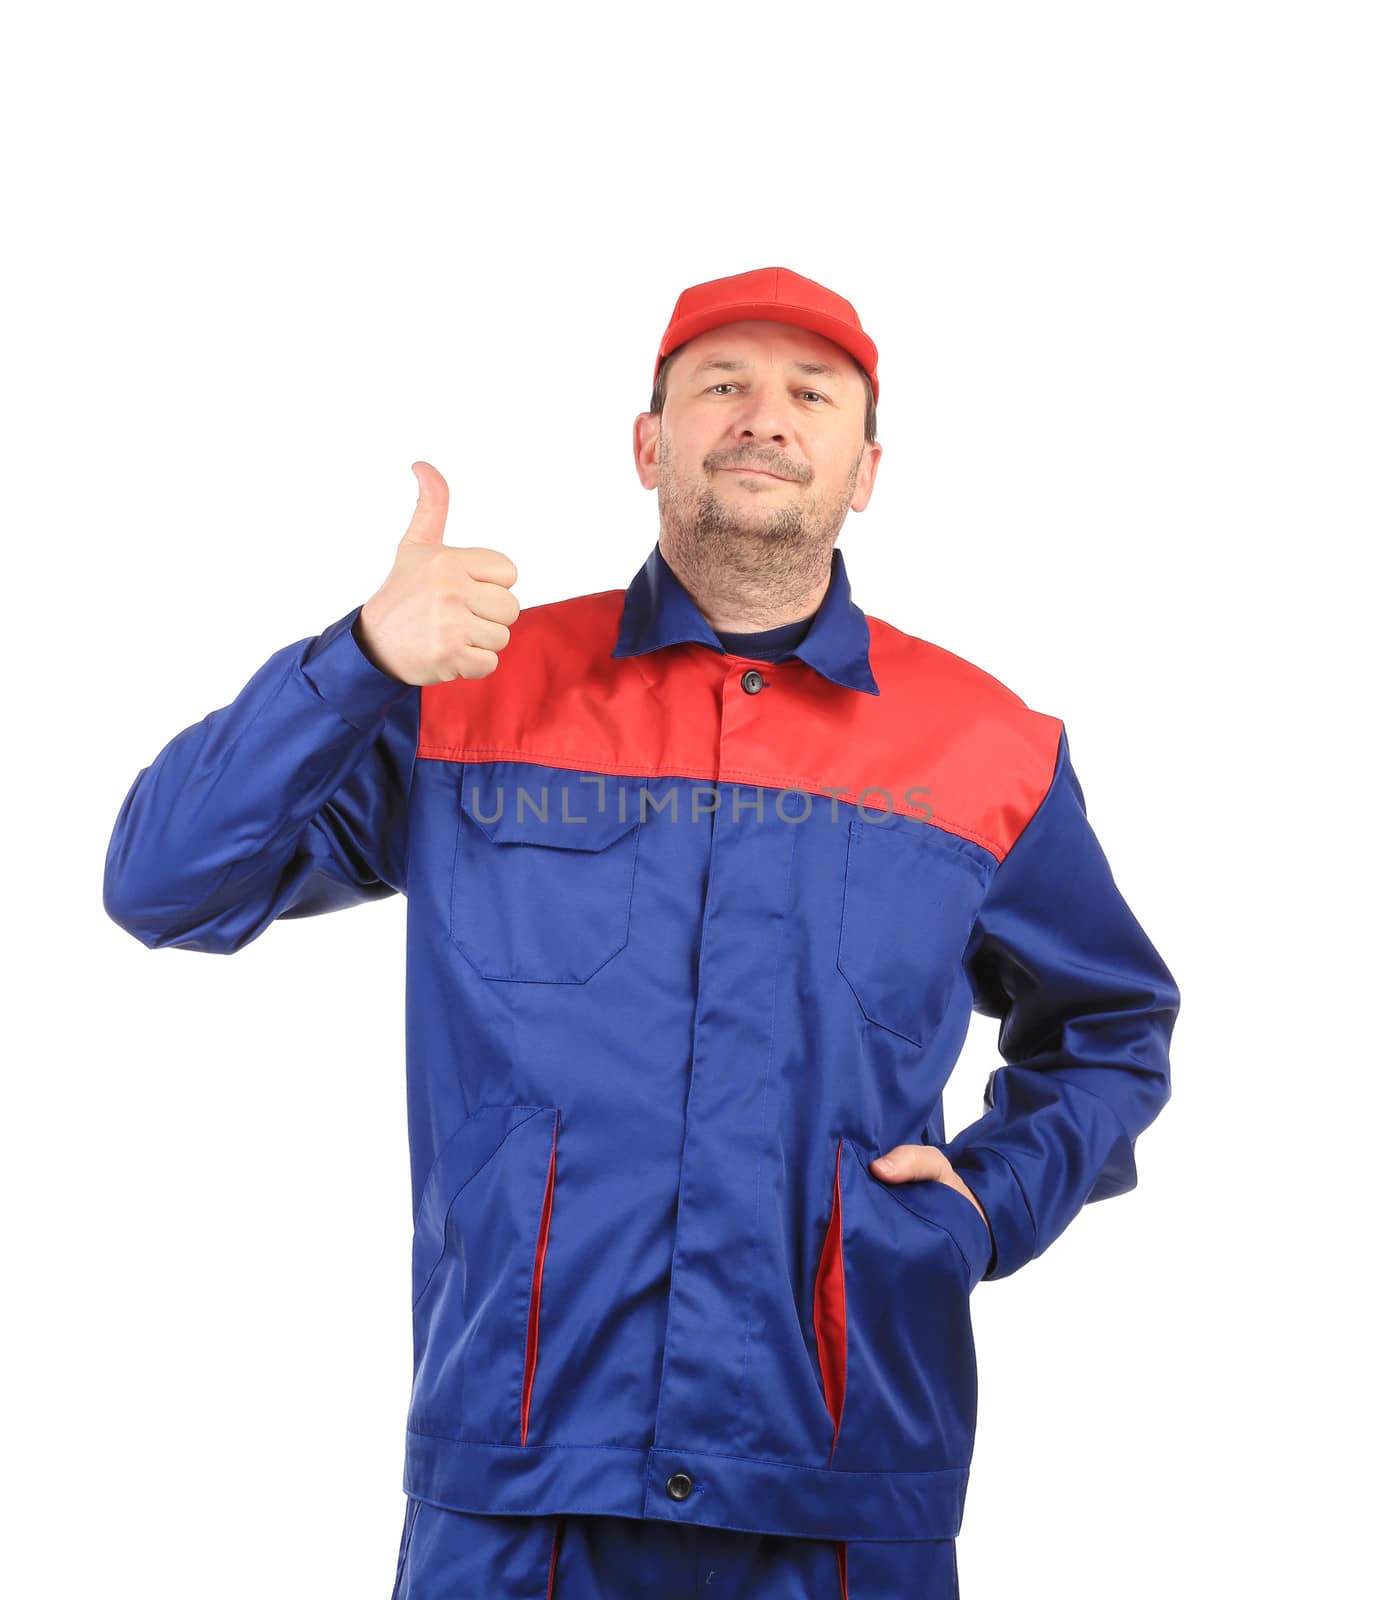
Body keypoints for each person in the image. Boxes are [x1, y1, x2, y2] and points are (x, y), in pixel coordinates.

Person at [103, 265, 1181, 1598]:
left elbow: (1111, 1031)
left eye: (810, 392)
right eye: (718, 383)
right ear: (647, 443)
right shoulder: (465, 693)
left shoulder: (982, 747)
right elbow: (166, 885)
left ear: (865, 469)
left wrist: (987, 1207)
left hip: (840, 1481)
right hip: (518, 1485)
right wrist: (360, 660)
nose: (762, 415)